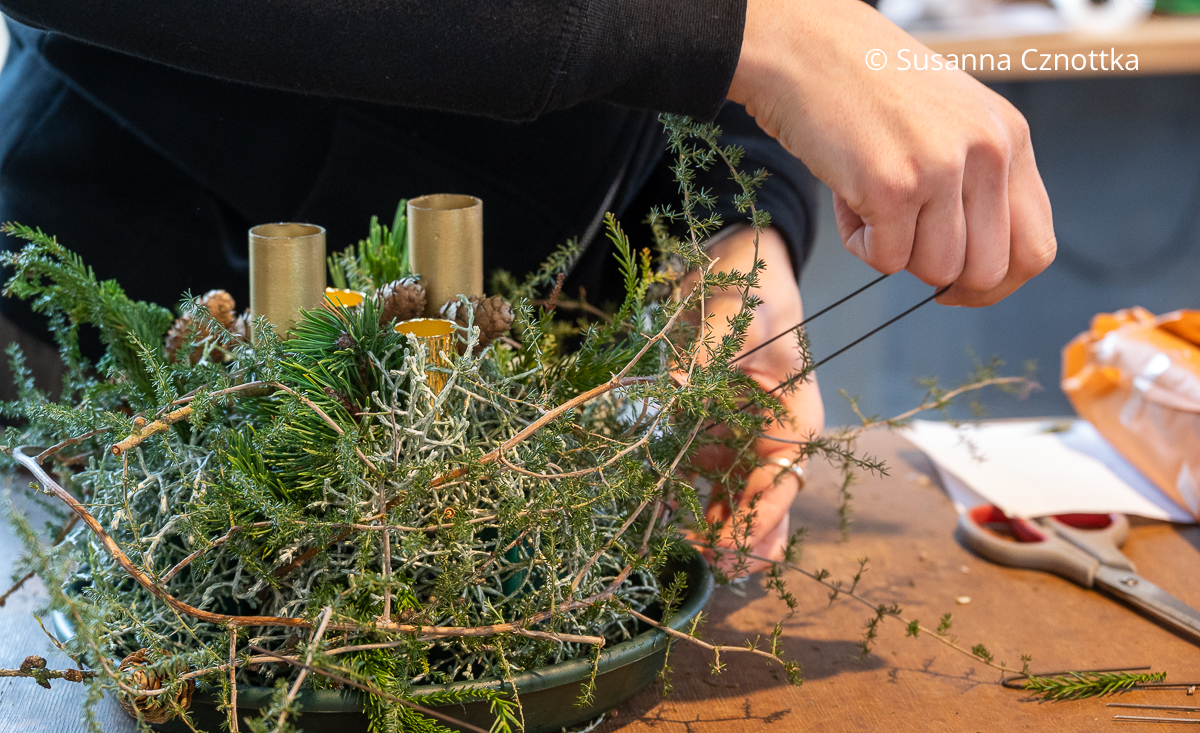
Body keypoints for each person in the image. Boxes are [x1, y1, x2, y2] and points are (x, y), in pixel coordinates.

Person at [0, 0, 1055, 570]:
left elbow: (726, 76)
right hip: (112, 370)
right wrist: (739, 30)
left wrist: (723, 242)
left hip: (491, 408)